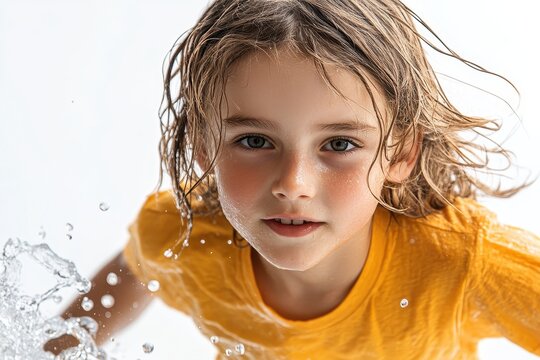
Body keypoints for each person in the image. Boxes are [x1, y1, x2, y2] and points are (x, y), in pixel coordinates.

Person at [45, 0, 540, 358]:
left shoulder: (460, 264)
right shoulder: (185, 238)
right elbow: (131, 273)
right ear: (202, 144)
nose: (293, 183)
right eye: (255, 141)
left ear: (401, 152)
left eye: (340, 145)